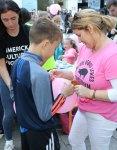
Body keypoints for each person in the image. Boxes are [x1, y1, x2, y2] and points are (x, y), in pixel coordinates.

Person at [50, 9, 117, 150]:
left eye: (79, 35)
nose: (78, 40)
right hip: (85, 108)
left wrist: (91, 93)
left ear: (90, 29)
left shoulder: (113, 55)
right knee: (74, 140)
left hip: (103, 115)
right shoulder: (85, 47)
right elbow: (81, 71)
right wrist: (64, 73)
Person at [11, 17, 74, 150]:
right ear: (45, 44)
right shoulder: (40, 74)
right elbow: (46, 114)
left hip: (25, 129)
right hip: (42, 133)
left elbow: (14, 94)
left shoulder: (18, 62)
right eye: (55, 48)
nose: (53, 54)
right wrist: (63, 94)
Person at [0, 1, 29, 149]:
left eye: (13, 18)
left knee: (26, 109)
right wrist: (11, 85)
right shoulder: (1, 36)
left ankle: (29, 138)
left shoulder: (28, 32)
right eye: (5, 20)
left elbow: (38, 56)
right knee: (9, 112)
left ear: (19, 14)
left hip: (25, 76)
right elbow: (1, 65)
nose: (10, 23)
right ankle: (9, 141)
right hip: (6, 76)